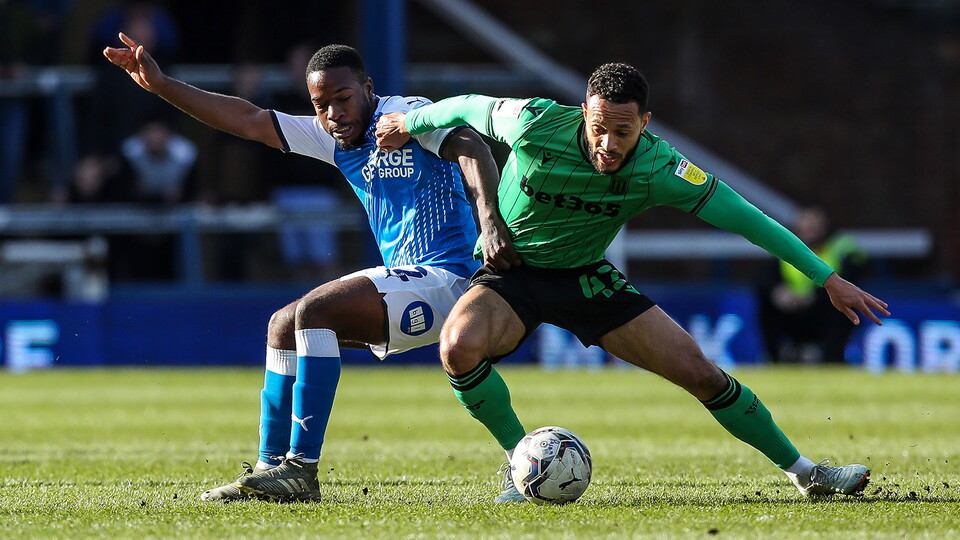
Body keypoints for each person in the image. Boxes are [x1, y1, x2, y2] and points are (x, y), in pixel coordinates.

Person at [375, 62, 891, 499]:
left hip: (585, 277)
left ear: (645, 122)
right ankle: (519, 462)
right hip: (512, 273)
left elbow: (748, 219)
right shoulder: (533, 122)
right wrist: (408, 121)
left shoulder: (660, 167)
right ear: (584, 111)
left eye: (623, 132)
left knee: (701, 374)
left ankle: (807, 474)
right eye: (599, 127)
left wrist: (826, 278)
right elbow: (465, 105)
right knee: (458, 348)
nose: (608, 143)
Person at [104, 35, 520, 502]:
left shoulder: (404, 113)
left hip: (450, 279)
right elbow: (248, 119)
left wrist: (490, 220)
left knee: (316, 310)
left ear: (368, 88)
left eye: (343, 98)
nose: (333, 114)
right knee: (282, 325)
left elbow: (471, 145)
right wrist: (161, 85)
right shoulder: (332, 137)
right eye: (321, 105)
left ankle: (301, 469)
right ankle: (270, 469)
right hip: (410, 282)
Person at [758, 204, 869, 364]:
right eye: (805, 223)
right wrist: (778, 292)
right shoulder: (785, 244)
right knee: (766, 301)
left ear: (825, 225)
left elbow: (852, 278)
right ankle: (775, 359)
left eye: (814, 224)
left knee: (841, 304)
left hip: (824, 309)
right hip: (793, 310)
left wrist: (814, 297)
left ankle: (831, 358)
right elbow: (765, 277)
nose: (809, 229)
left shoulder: (842, 246)